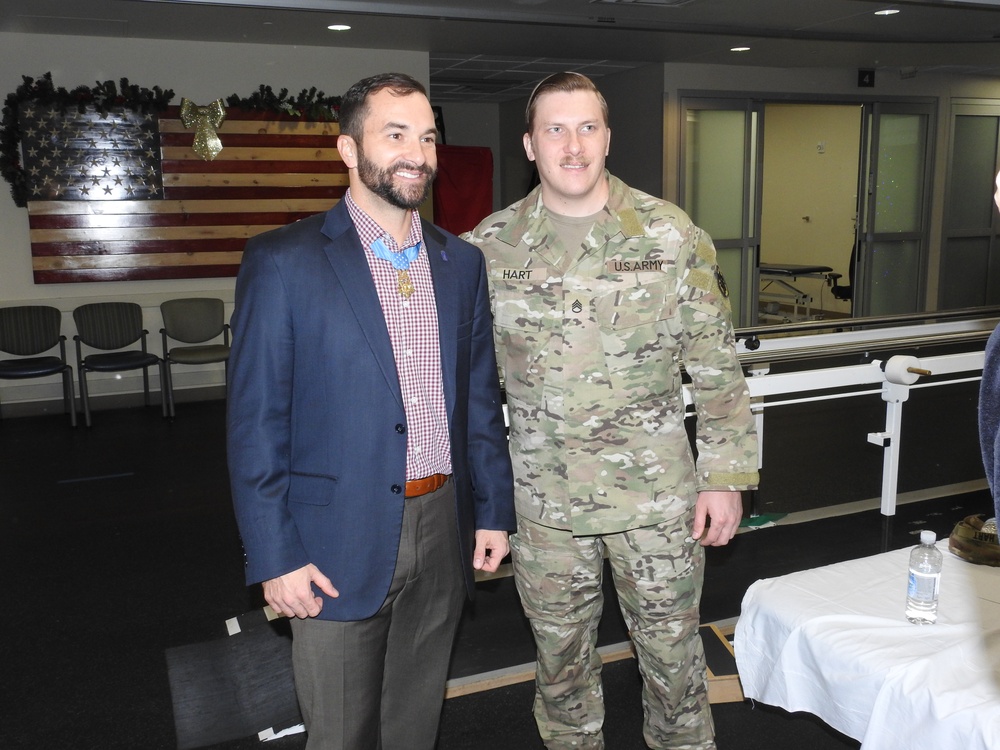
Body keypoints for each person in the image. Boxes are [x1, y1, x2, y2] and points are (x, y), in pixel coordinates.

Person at [463, 72, 759, 750]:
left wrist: (725, 477)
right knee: (561, 668)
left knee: (673, 663)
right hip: (545, 507)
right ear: (529, 144)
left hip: (656, 503)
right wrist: (486, 505)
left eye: (587, 127)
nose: (573, 145)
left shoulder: (667, 234)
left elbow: (715, 367)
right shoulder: (489, 246)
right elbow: (473, 390)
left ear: (608, 137)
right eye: (555, 130)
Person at [226, 72, 515, 750]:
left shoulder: (461, 263)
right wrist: (275, 555)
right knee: (341, 736)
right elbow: (254, 424)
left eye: (426, 136)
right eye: (395, 135)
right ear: (349, 151)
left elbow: (477, 400)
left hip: (442, 529)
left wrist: (494, 511)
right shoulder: (282, 261)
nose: (416, 152)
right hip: (330, 545)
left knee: (414, 727)